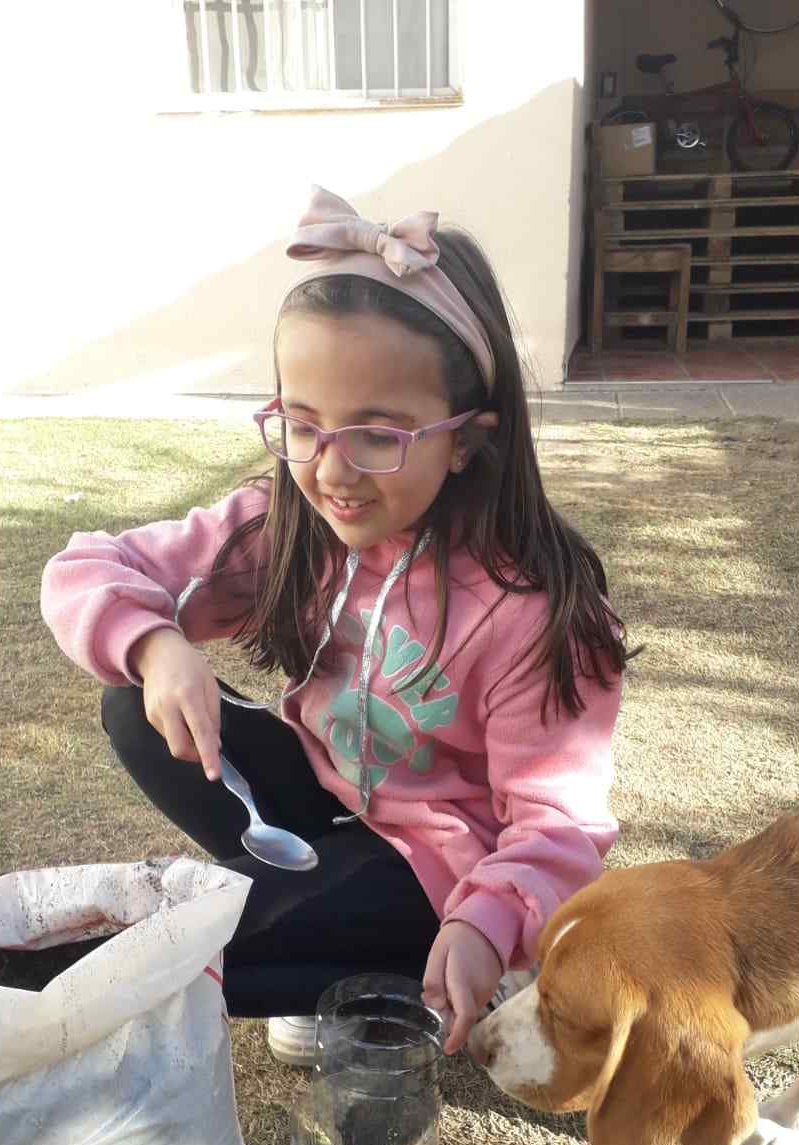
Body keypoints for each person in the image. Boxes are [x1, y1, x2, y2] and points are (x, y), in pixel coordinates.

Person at [41, 185, 630, 1063]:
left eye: (378, 436)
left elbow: (558, 826)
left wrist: (488, 917)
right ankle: (320, 928)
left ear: (468, 440)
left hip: (439, 869)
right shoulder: (286, 524)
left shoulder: (537, 610)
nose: (330, 472)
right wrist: (157, 645)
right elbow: (87, 567)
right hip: (321, 807)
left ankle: (460, 956)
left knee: (185, 955)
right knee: (133, 702)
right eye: (302, 425)